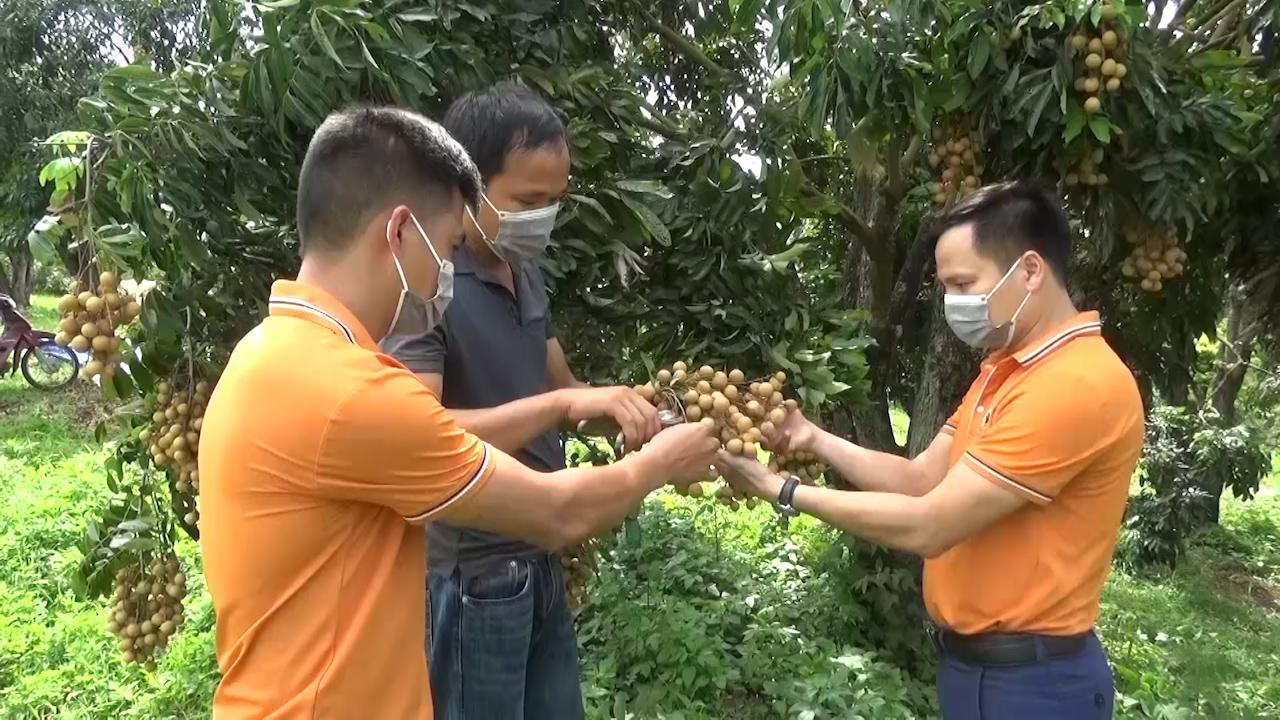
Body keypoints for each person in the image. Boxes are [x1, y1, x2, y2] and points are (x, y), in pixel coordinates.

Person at [197, 106, 719, 720]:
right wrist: (660, 464)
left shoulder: (271, 353)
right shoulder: (348, 394)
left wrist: (569, 403)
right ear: (397, 233)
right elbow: (557, 513)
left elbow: (435, 433)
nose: (444, 273)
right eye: (444, 247)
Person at [716, 181, 1143, 719]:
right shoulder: (1004, 372)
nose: (953, 304)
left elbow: (929, 524)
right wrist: (815, 439)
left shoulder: (1075, 384)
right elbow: (921, 479)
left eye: (964, 283)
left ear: (1030, 271)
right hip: (976, 669)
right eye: (946, 287)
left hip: (1034, 685)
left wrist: (780, 489)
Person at [380, 82, 640, 720]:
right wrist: (559, 409)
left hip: (541, 556)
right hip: (473, 575)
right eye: (527, 200)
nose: (542, 218)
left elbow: (562, 387)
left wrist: (627, 411)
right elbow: (423, 433)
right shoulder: (424, 289)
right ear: (465, 188)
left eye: (554, 202)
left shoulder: (525, 271)